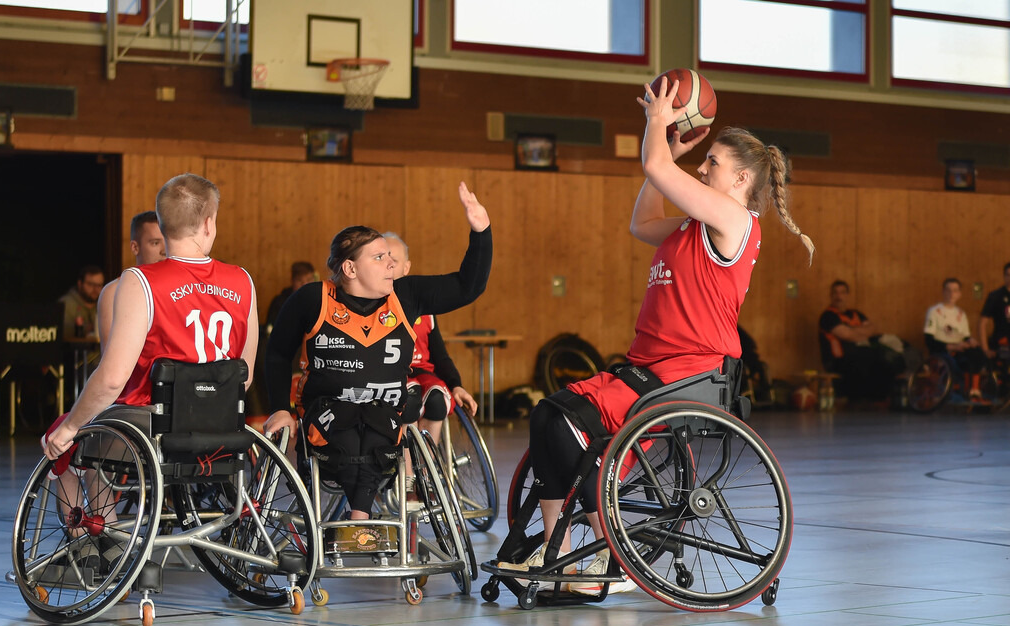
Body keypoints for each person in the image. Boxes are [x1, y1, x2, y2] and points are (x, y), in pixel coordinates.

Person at [498, 76, 814, 596]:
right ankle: (564, 558)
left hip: (687, 373)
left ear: (740, 181)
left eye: (712, 162)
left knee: (563, 426)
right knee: (546, 415)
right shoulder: (692, 225)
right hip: (645, 366)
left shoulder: (736, 220)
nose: (702, 166)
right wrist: (666, 147)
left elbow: (655, 168)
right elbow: (641, 222)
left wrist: (657, 126)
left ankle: (601, 556)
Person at [263, 182, 492, 523]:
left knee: (375, 429)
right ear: (350, 269)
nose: (391, 264)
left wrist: (481, 231)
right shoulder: (313, 299)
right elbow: (277, 353)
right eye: (380, 257)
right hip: (326, 415)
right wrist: (280, 409)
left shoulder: (406, 295)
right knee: (348, 432)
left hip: (384, 417)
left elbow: (466, 286)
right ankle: (358, 518)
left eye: (390, 257)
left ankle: (359, 518)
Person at [43, 172, 259, 457]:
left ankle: (90, 500)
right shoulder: (243, 280)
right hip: (221, 423)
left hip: (150, 423)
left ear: (163, 224)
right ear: (209, 224)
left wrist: (70, 427)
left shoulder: (139, 280)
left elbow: (111, 380)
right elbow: (245, 377)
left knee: (61, 441)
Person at [383, 232, 478, 447]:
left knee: (436, 400)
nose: (388, 266)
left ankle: (428, 466)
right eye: (382, 259)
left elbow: (440, 355)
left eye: (394, 261)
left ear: (406, 268)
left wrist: (457, 385)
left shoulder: (425, 309)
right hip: (393, 375)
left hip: (423, 372)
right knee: (408, 401)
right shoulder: (373, 304)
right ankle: (406, 474)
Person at [818, 280, 902, 404]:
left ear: (847, 295)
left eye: (842, 292)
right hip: (837, 360)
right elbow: (847, 335)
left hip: (859, 354)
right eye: (835, 293)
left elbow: (872, 330)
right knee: (867, 360)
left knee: (885, 358)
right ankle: (862, 400)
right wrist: (861, 332)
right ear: (831, 295)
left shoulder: (856, 314)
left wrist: (853, 330)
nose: (839, 296)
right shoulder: (828, 316)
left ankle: (881, 399)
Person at [96, 211, 166, 351]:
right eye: (155, 243)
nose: (164, 251)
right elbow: (111, 357)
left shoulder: (181, 287)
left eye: (167, 242)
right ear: (135, 247)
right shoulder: (114, 292)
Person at [924, 278, 988, 401]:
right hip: (943, 350)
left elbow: (965, 336)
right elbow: (929, 341)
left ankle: (974, 389)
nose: (951, 294)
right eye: (948, 290)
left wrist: (970, 341)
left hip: (959, 349)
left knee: (977, 353)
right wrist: (952, 346)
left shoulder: (961, 313)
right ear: (943, 292)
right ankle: (961, 389)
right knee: (954, 361)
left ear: (959, 294)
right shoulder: (934, 311)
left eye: (955, 291)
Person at [266, 261, 317, 331]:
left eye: (309, 280)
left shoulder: (320, 300)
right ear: (292, 281)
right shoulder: (280, 302)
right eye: (300, 280)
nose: (304, 284)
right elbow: (271, 329)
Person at [59, 265, 104, 340]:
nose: (95, 289)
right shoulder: (65, 304)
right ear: (80, 284)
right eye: (90, 284)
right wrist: (83, 329)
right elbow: (58, 329)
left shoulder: (103, 304)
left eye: (99, 285)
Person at [978, 261, 1010, 362]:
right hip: (1002, 341)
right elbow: (982, 323)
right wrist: (985, 349)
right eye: (1008, 275)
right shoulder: (996, 296)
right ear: (1004, 276)